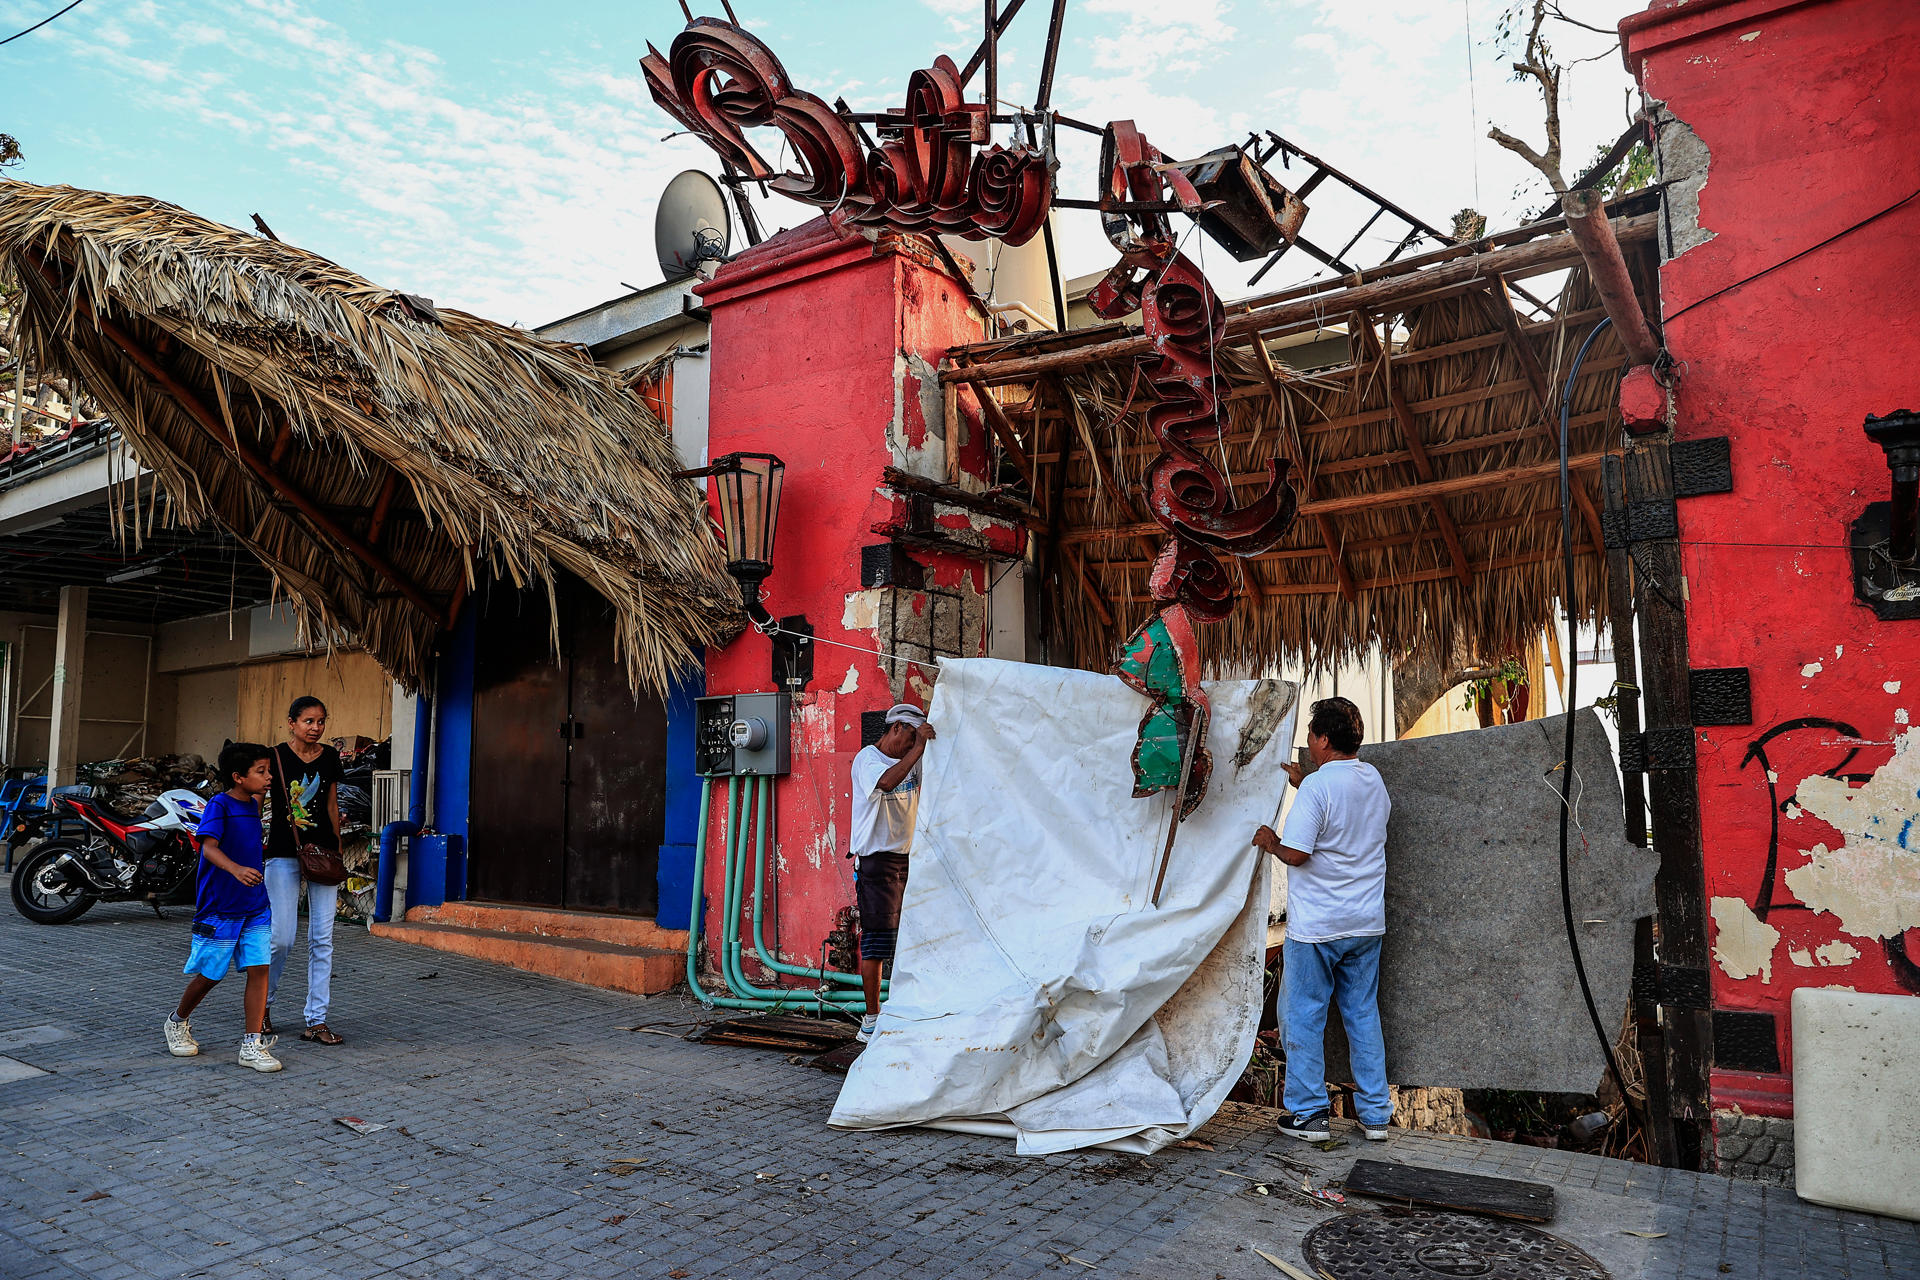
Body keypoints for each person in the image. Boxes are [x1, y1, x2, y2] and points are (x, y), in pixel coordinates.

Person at [1252, 695, 1392, 1143]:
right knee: (1362, 1014)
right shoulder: (1372, 780)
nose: (1308, 742)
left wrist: (1271, 841)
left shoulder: (1318, 789)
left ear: (1324, 739)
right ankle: (1375, 1117)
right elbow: (1342, 820)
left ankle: (1310, 1115)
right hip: (1366, 924)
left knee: (1303, 1017)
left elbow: (1298, 851)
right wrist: (1304, 784)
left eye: (1311, 735)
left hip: (1318, 929)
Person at [165, 741, 282, 1073]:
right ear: (238, 777)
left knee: (260, 968)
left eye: (269, 770)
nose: (268, 776)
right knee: (210, 975)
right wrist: (236, 869)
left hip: (256, 905)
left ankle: (251, 1043)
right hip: (220, 907)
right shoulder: (220, 805)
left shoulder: (254, 804)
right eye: (261, 772)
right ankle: (177, 1020)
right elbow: (208, 848)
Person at [849, 702, 935, 1043]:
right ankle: (871, 1019)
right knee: (877, 941)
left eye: (916, 738)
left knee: (908, 940)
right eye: (910, 736)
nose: (913, 743)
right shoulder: (867, 760)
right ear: (896, 728)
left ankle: (902, 1008)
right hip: (877, 861)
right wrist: (918, 748)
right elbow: (885, 783)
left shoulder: (913, 756)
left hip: (907, 858)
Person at [264, 695, 346, 1045]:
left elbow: (331, 803)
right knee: (281, 937)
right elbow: (257, 802)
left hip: (323, 853)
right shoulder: (274, 757)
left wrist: (338, 848)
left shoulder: (329, 757)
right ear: (291, 723)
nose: (316, 728)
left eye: (321, 721)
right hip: (282, 852)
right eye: (309, 721)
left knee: (322, 939)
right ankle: (262, 1006)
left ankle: (316, 1020)